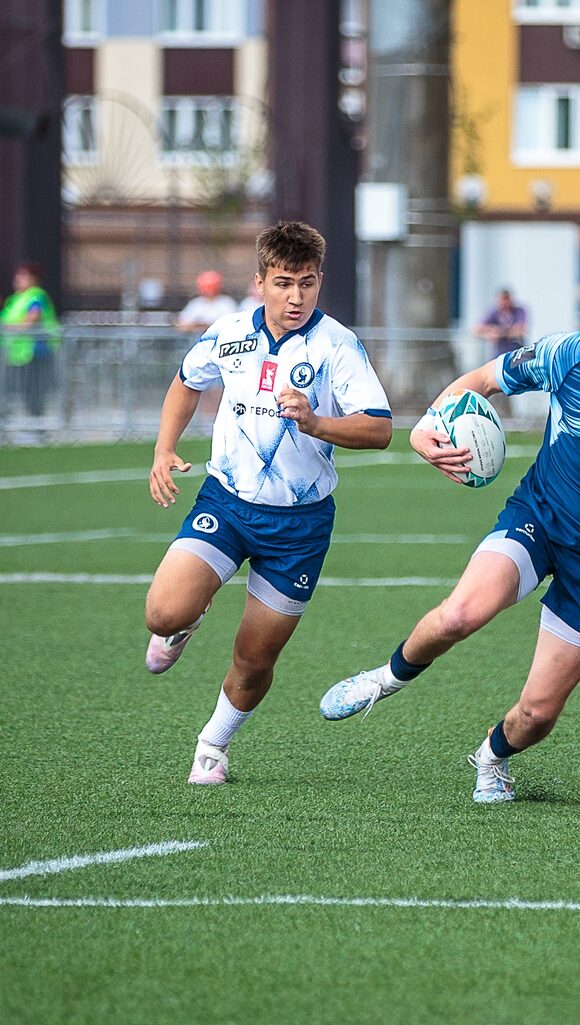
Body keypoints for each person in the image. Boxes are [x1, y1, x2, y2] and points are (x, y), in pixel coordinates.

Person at [319, 260, 580, 805]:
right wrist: (427, 428)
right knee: (460, 614)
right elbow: (481, 381)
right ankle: (384, 679)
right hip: (538, 517)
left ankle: (491, 757)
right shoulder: (571, 353)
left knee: (539, 714)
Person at [143, 220, 393, 786]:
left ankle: (213, 744)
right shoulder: (229, 332)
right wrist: (164, 449)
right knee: (162, 614)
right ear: (259, 282)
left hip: (300, 527)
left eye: (307, 283)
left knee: (255, 658)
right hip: (227, 504)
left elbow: (379, 428)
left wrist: (316, 421)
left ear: (320, 281)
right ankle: (188, 619)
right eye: (283, 283)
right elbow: (187, 381)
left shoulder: (338, 345)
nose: (296, 296)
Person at [0, 260, 60, 418]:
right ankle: (31, 421)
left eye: (24, 276)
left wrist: (11, 328)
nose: (19, 279)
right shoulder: (15, 298)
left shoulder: (36, 296)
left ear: (34, 279)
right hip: (18, 351)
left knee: (35, 389)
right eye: (18, 276)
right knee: (25, 389)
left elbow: (32, 319)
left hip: (36, 350)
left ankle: (35, 423)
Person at [176, 270, 240, 335]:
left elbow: (233, 325)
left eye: (211, 287)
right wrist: (197, 326)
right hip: (197, 338)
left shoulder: (227, 303)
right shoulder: (195, 304)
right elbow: (183, 325)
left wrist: (206, 326)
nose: (209, 291)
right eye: (205, 287)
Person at [474, 288, 528, 361]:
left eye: (506, 299)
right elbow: (477, 329)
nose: (504, 303)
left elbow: (520, 330)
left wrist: (499, 332)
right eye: (502, 300)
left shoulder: (519, 311)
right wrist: (489, 334)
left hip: (517, 354)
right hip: (499, 355)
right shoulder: (494, 312)